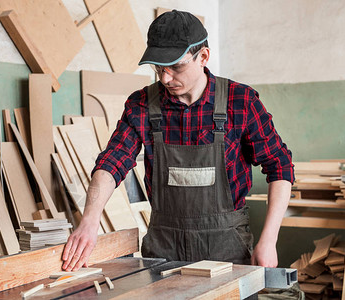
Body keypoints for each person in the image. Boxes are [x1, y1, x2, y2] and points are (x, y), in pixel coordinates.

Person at [62, 10, 294, 271]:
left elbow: (279, 165)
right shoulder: (141, 104)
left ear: (203, 57)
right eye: (159, 68)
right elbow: (112, 162)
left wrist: (269, 239)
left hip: (227, 252)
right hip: (164, 252)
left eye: (175, 66)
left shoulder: (240, 101)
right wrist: (90, 220)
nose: (165, 78)